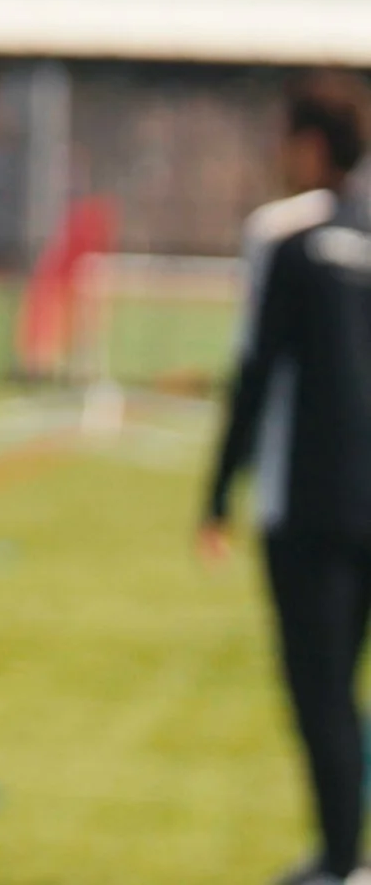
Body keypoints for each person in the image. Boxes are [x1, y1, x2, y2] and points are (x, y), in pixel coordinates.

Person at [204, 69, 371, 885]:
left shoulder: (284, 235)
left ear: (309, 146)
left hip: (309, 509)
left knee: (324, 691)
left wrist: (213, 497)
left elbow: (257, 370)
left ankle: (342, 862)